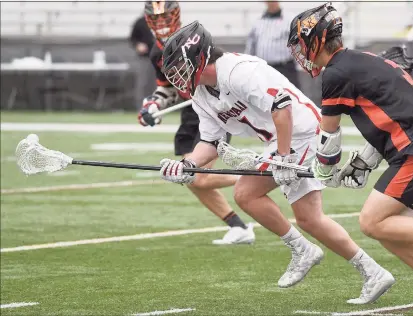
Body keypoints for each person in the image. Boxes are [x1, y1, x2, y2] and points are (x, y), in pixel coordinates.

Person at [157, 20, 395, 303]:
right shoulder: (201, 95)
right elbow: (209, 143)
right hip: (283, 139)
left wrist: (282, 157)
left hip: (304, 131)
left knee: (266, 201)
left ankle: (345, 263)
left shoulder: (238, 71)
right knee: (292, 211)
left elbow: (281, 107)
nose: (176, 76)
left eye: (179, 67)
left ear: (200, 56)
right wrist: (186, 166)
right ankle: (358, 267)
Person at [287, 3, 413, 315]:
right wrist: (364, 162)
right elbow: (397, 114)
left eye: (301, 43)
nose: (300, 52)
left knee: (371, 222)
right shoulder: (361, 61)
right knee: (389, 229)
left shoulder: (336, 73)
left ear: (318, 39)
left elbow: (329, 140)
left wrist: (322, 173)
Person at [138, 1, 255, 245]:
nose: (160, 23)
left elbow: (218, 71)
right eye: (156, 19)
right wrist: (153, 105)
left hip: (213, 107)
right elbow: (167, 89)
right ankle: (238, 226)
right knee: (188, 177)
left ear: (176, 15)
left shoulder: (193, 39)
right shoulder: (156, 52)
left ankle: (261, 175)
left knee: (197, 176)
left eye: (165, 17)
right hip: (191, 113)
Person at [245, 1, 301, 89]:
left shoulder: (290, 19)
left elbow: (299, 43)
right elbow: (251, 46)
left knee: (291, 98)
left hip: (285, 68)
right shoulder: (258, 22)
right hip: (264, 69)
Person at [129, 14, 157, 110]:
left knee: (157, 84)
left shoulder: (163, 21)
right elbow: (133, 38)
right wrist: (138, 45)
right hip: (145, 58)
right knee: (143, 83)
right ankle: (141, 108)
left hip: (160, 57)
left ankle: (155, 107)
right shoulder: (141, 22)